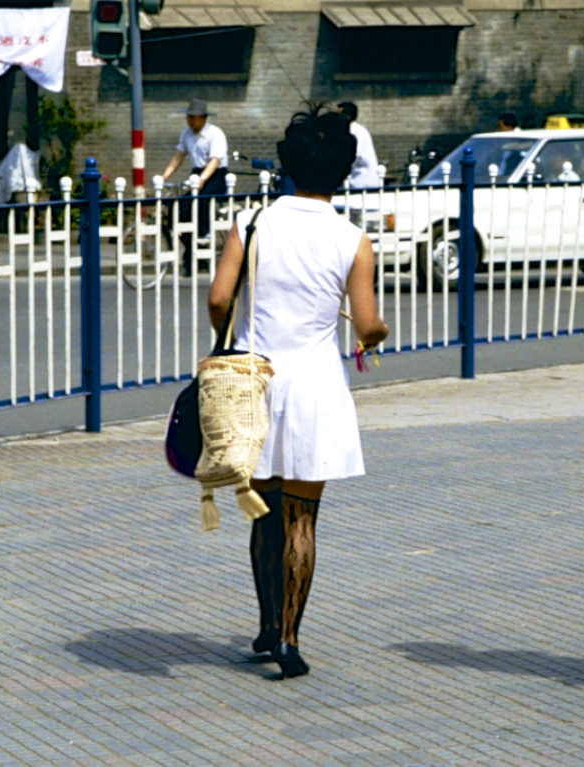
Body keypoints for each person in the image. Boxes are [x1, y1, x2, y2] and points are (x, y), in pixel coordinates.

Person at [207, 105, 389, 679]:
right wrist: (374, 335)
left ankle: (264, 623)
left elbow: (218, 298)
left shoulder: (251, 223)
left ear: (286, 163)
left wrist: (226, 337)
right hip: (314, 388)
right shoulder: (351, 239)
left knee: (262, 510)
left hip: (253, 381)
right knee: (301, 520)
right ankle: (288, 638)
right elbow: (367, 324)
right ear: (341, 171)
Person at [161, 98, 228, 271]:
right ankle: (190, 249)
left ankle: (204, 232)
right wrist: (164, 177)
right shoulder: (186, 134)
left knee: (201, 200)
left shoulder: (215, 133)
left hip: (215, 176)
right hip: (196, 174)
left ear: (203, 118)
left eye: (193, 117)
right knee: (180, 208)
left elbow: (214, 161)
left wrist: (202, 179)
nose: (190, 120)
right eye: (188, 117)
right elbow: (178, 156)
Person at [336, 101, 381, 189]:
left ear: (347, 117)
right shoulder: (347, 130)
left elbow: (353, 154)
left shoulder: (358, 131)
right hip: (354, 180)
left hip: (363, 181)